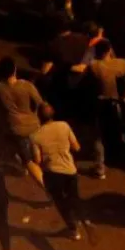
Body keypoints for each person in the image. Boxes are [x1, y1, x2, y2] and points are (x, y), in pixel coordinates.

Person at [32, 102, 85, 238]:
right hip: (70, 170)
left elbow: (38, 160)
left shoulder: (35, 136)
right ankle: (84, 219)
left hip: (53, 173)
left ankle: (73, 229)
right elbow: (77, 147)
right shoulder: (64, 126)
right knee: (74, 197)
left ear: (39, 117)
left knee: (60, 201)